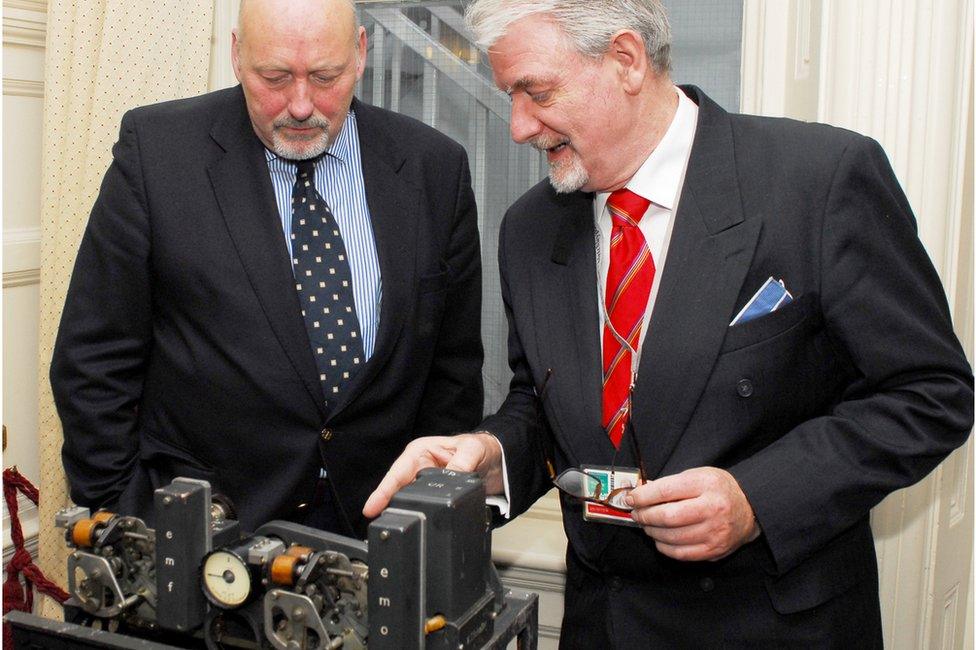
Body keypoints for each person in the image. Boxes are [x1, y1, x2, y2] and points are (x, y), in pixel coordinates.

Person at [363, 0, 974, 646]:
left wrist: (756, 500)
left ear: (626, 60)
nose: (517, 126)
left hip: (772, 628)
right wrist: (490, 458)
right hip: (605, 626)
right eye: (509, 95)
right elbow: (541, 409)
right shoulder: (530, 229)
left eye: (535, 92)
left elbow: (930, 394)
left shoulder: (817, 184)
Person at [50, 0, 483, 539]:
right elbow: (93, 362)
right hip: (202, 537)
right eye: (274, 76)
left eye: (324, 76)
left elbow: (453, 375)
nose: (300, 105)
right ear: (237, 55)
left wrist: (426, 518)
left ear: (361, 54)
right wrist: (131, 517)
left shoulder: (434, 168)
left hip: (381, 537)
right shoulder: (158, 154)